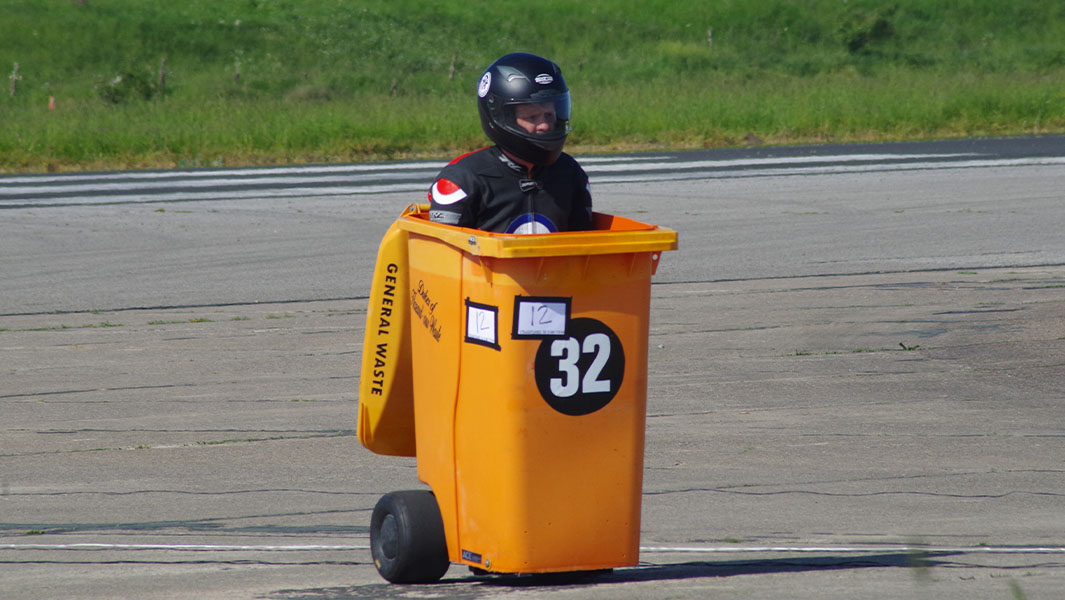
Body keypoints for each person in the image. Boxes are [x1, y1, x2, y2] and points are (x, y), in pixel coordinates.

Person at [428, 52, 593, 234]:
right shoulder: (462, 180)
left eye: (549, 115)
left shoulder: (570, 173)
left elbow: (584, 244)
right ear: (502, 118)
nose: (545, 125)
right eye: (532, 117)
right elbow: (442, 253)